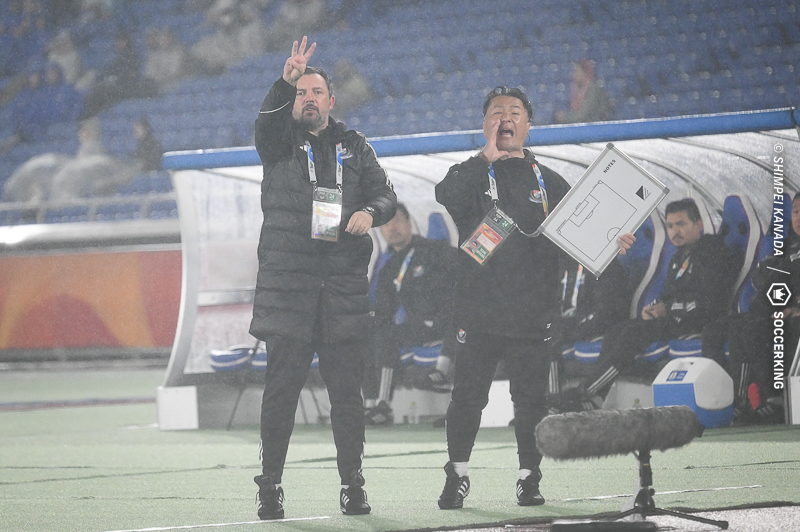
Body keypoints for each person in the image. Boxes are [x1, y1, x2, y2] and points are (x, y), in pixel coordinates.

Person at [434, 85, 636, 509]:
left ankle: (529, 478)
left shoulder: (549, 181)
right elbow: (445, 194)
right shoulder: (470, 174)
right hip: (478, 311)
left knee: (530, 402)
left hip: (534, 313)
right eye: (496, 112)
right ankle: (457, 475)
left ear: (528, 125)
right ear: (484, 124)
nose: (505, 118)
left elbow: (581, 239)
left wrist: (611, 242)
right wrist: (484, 157)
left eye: (514, 112)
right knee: (467, 398)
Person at [249, 36, 396, 520]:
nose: (308, 99)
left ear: (332, 101)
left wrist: (370, 213)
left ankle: (353, 485)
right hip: (289, 290)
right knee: (280, 396)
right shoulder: (279, 142)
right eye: (301, 93)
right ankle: (270, 487)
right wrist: (282, 83)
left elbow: (385, 195)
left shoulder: (356, 147)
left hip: (341, 290)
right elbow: (264, 127)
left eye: (316, 92)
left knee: (347, 398)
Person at [577, 199, 738, 408]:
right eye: (670, 226)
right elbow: (669, 296)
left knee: (631, 335)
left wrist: (667, 309)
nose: (675, 232)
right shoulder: (678, 258)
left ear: (698, 224)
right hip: (675, 319)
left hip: (698, 320)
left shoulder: (712, 252)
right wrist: (653, 308)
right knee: (617, 331)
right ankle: (596, 396)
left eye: (681, 224)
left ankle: (589, 392)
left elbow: (710, 301)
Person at [702, 192, 800, 424]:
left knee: (756, 328)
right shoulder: (787, 247)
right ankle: (740, 400)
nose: (798, 218)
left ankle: (775, 399)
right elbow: (762, 276)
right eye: (796, 212)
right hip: (777, 311)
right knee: (729, 326)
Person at [363, 203, 457, 425]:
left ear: (409, 222)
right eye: (385, 224)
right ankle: (378, 407)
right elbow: (384, 312)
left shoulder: (435, 250)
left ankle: (446, 379)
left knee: (464, 313)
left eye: (397, 220)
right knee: (372, 334)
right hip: (420, 327)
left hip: (449, 322)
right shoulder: (390, 267)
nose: (392, 227)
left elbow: (462, 282)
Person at [554, 59, 613, 124]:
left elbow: (584, 115)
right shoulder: (579, 89)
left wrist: (565, 117)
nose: (574, 75)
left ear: (585, 73)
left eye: (576, 71)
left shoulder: (593, 89)